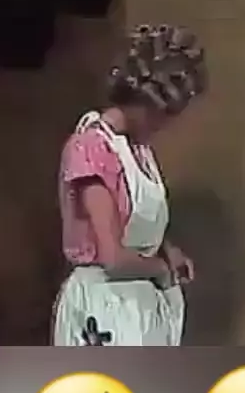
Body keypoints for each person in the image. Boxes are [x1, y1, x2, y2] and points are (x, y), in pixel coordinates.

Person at [51, 23, 207, 346]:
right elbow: (112, 257)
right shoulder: (91, 149)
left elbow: (132, 225)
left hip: (138, 301)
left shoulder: (137, 150)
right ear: (143, 104)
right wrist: (160, 270)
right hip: (104, 303)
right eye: (163, 116)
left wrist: (166, 249)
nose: (163, 126)